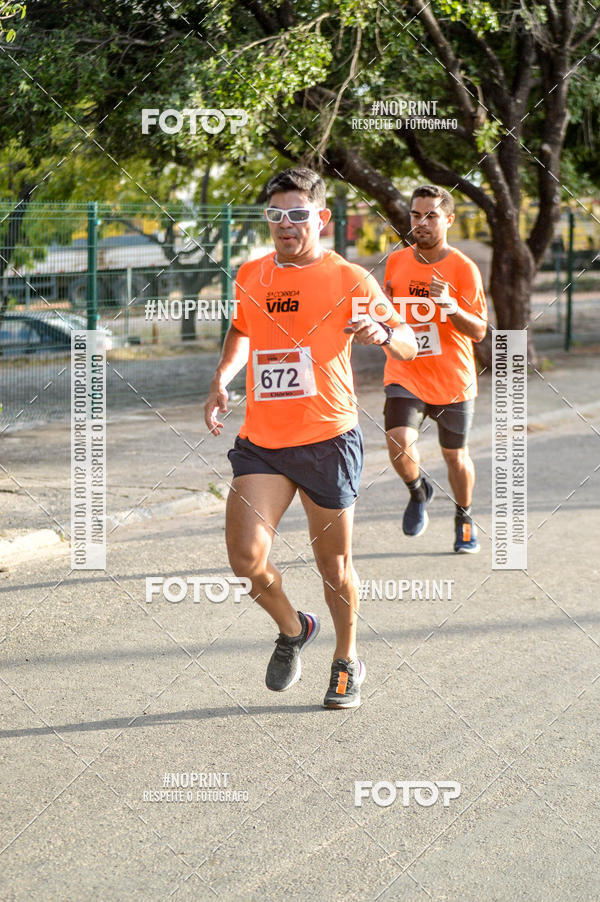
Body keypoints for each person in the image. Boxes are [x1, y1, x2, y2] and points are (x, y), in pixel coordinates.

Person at [204, 167, 416, 708]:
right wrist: (222, 379)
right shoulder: (250, 275)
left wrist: (386, 333)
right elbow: (241, 331)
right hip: (262, 442)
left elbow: (410, 344)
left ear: (320, 218)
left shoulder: (348, 279)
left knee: (333, 566)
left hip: (327, 439)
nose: (286, 225)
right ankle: (294, 628)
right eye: (276, 216)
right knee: (246, 560)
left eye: (298, 215)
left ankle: (347, 660)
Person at [382, 184, 488, 553]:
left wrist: (450, 307)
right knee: (398, 442)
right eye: (415, 214)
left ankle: (464, 516)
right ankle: (417, 490)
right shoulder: (396, 261)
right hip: (405, 371)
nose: (421, 223)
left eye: (431, 215)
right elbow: (387, 311)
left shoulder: (463, 268)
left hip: (452, 379)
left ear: (449, 219)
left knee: (455, 457)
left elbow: (478, 330)